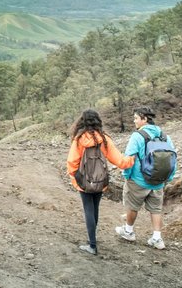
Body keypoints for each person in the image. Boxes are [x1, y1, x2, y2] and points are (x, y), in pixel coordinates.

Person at [67, 109, 135, 255]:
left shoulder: (79, 140)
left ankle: (92, 245)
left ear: (82, 122)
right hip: (101, 181)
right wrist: (133, 159)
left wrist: (76, 178)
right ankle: (93, 241)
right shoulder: (104, 139)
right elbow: (120, 161)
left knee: (88, 210)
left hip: (84, 181)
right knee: (95, 209)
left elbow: (72, 162)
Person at [115, 106, 176, 250]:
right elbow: (173, 158)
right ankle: (157, 238)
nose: (134, 121)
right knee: (156, 209)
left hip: (138, 179)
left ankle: (129, 231)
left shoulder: (137, 136)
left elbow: (129, 157)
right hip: (158, 181)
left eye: (136, 118)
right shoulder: (165, 136)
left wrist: (127, 175)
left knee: (132, 206)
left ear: (144, 118)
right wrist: (168, 178)